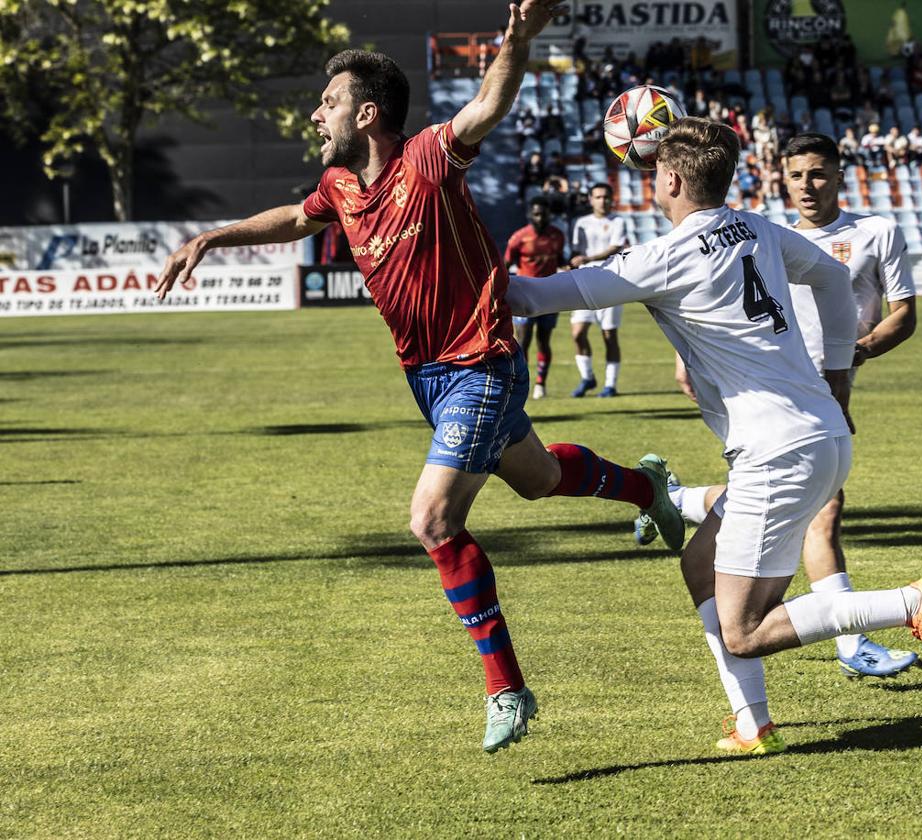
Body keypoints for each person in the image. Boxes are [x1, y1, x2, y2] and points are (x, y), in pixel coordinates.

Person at [152, 4, 686, 755]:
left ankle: (507, 687)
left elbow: (486, 106)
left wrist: (518, 41)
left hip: (481, 362)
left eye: (328, 102)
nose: (316, 115)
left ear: (368, 113)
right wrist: (214, 235)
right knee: (533, 480)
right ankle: (648, 488)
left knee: (433, 520)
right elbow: (294, 219)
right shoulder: (340, 186)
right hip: (428, 380)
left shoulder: (428, 158)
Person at [505, 117, 922, 754]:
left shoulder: (659, 259)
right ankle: (754, 724)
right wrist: (837, 372)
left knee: (744, 628)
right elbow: (833, 278)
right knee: (700, 564)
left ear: (666, 179)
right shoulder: (759, 227)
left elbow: (525, 298)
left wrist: (442, 262)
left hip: (777, 452)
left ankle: (909, 604)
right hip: (819, 436)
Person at [649, 130, 922, 682]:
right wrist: (690, 358)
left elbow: (904, 314)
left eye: (818, 173)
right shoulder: (764, 235)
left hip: (828, 387)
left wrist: (853, 355)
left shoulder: (875, 232)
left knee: (793, 499)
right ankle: (855, 641)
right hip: (779, 393)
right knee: (821, 509)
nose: (807, 185)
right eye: (796, 175)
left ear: (841, 174)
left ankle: (672, 498)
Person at [568, 183, 630, 397]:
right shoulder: (581, 223)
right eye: (597, 197)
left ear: (611, 199)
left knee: (609, 335)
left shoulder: (618, 221)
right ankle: (587, 378)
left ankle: (610, 384)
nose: (602, 200)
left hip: (610, 281)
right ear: (591, 200)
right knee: (577, 333)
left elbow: (615, 248)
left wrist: (588, 258)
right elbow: (575, 252)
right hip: (584, 283)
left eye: (605, 197)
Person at [506, 196, 566, 399]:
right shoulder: (519, 237)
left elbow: (561, 260)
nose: (540, 218)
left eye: (544, 213)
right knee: (522, 341)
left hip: (550, 296)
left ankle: (541, 383)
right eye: (537, 214)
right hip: (524, 297)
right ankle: (520, 384)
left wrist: (568, 264)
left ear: (549, 214)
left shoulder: (557, 236)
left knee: (544, 340)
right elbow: (505, 265)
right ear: (530, 214)